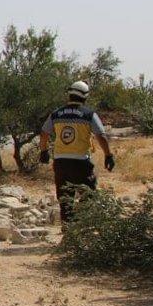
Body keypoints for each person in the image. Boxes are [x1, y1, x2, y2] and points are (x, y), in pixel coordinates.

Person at [38, 80, 115, 222]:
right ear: (85, 96)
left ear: (69, 95)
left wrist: (43, 151)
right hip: (81, 162)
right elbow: (101, 136)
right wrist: (108, 155)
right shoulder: (89, 114)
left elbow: (43, 133)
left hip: (60, 162)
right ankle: (83, 228)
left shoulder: (56, 114)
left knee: (65, 199)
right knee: (88, 196)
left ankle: (68, 232)